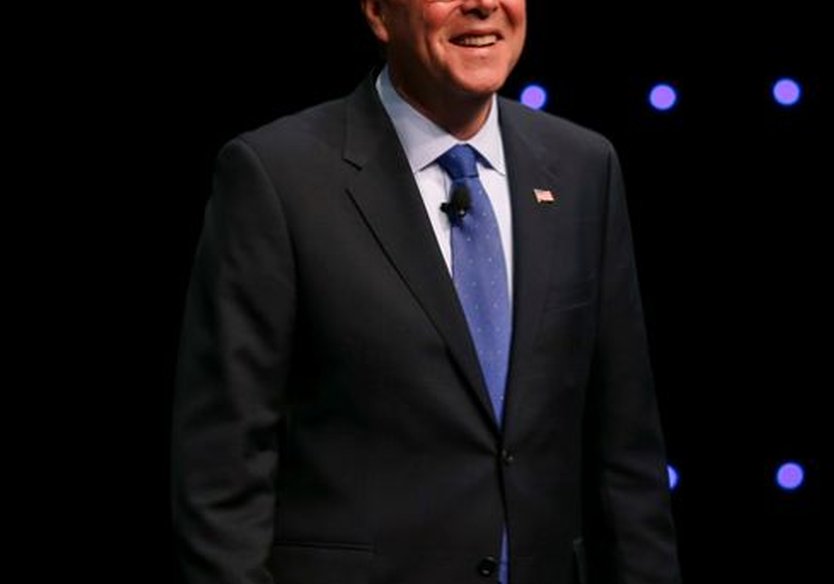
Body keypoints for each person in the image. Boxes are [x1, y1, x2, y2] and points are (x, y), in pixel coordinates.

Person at [170, 1, 681, 583]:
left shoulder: (584, 167)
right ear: (379, 13)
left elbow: (628, 458)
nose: (483, 4)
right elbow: (221, 473)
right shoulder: (275, 176)